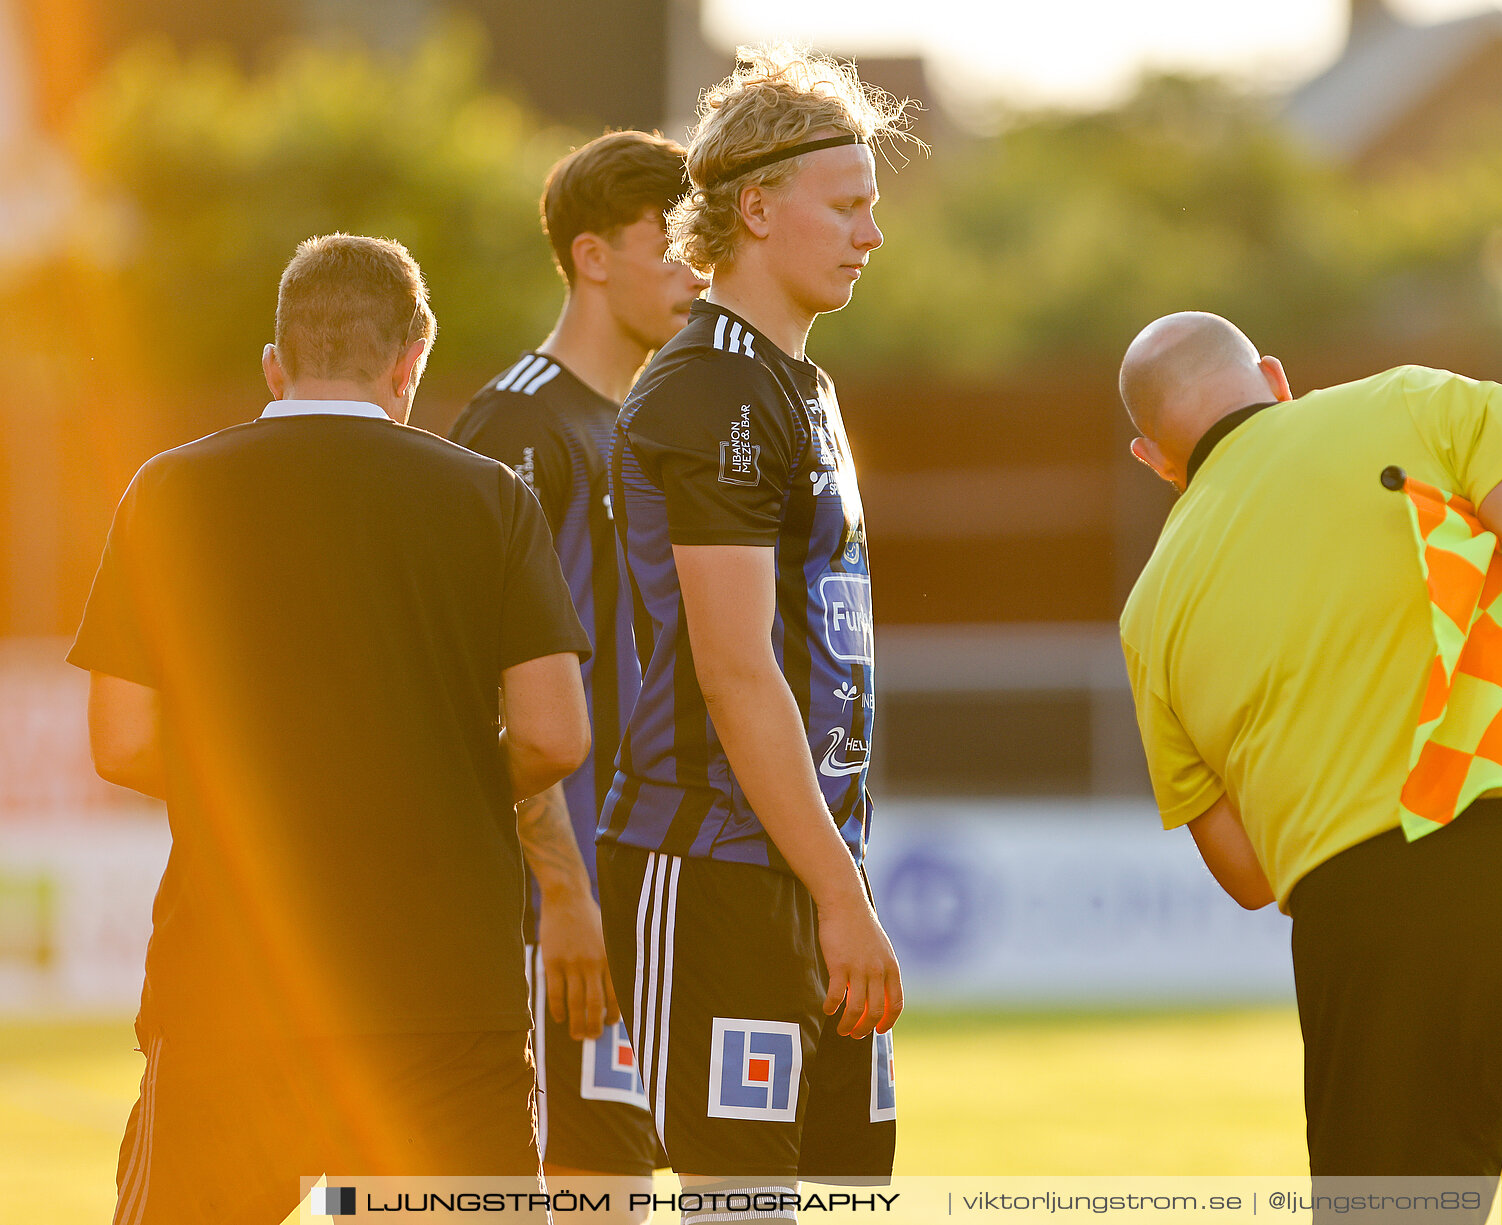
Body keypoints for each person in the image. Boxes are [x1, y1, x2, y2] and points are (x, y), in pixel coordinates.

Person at [1117, 312, 1502, 1224]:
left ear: (1152, 456)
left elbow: (1246, 870)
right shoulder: (1420, 401)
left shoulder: (1149, 612)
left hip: (1360, 924)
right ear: (1273, 376)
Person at [73, 234, 594, 1224]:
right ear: (411, 360)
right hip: (443, 999)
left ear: (277, 362)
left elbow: (121, 742)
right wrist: (435, 775)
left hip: (228, 987)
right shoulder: (491, 497)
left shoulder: (167, 489)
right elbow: (553, 735)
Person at [592, 47, 912, 1214]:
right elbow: (735, 673)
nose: (872, 232)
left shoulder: (802, 385)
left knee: (842, 1193)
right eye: (849, 204)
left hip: (812, 868)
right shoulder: (707, 389)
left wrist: (838, 880)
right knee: (744, 1200)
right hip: (715, 866)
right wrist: (842, 897)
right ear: (758, 207)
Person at [451, 130, 707, 1194]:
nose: (696, 274)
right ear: (593, 258)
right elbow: (474, 694)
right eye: (673, 246)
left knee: (626, 1188)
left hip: (637, 893)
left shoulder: (646, 425)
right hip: (552, 915)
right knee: (582, 1188)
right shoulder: (516, 420)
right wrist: (560, 891)